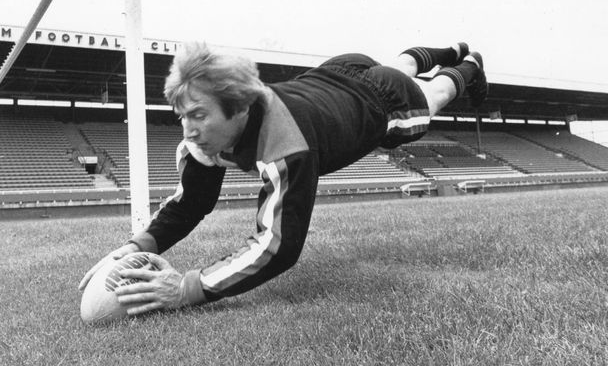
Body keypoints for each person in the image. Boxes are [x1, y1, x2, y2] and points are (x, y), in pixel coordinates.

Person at [78, 41, 488, 316]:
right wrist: (133, 246)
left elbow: (277, 247)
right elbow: (191, 203)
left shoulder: (286, 146)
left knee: (431, 97)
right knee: (396, 67)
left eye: (199, 115)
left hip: (379, 103)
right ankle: (453, 46)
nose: (188, 130)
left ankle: (468, 64)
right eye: (182, 115)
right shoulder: (206, 138)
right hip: (339, 71)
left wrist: (186, 288)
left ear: (238, 108)